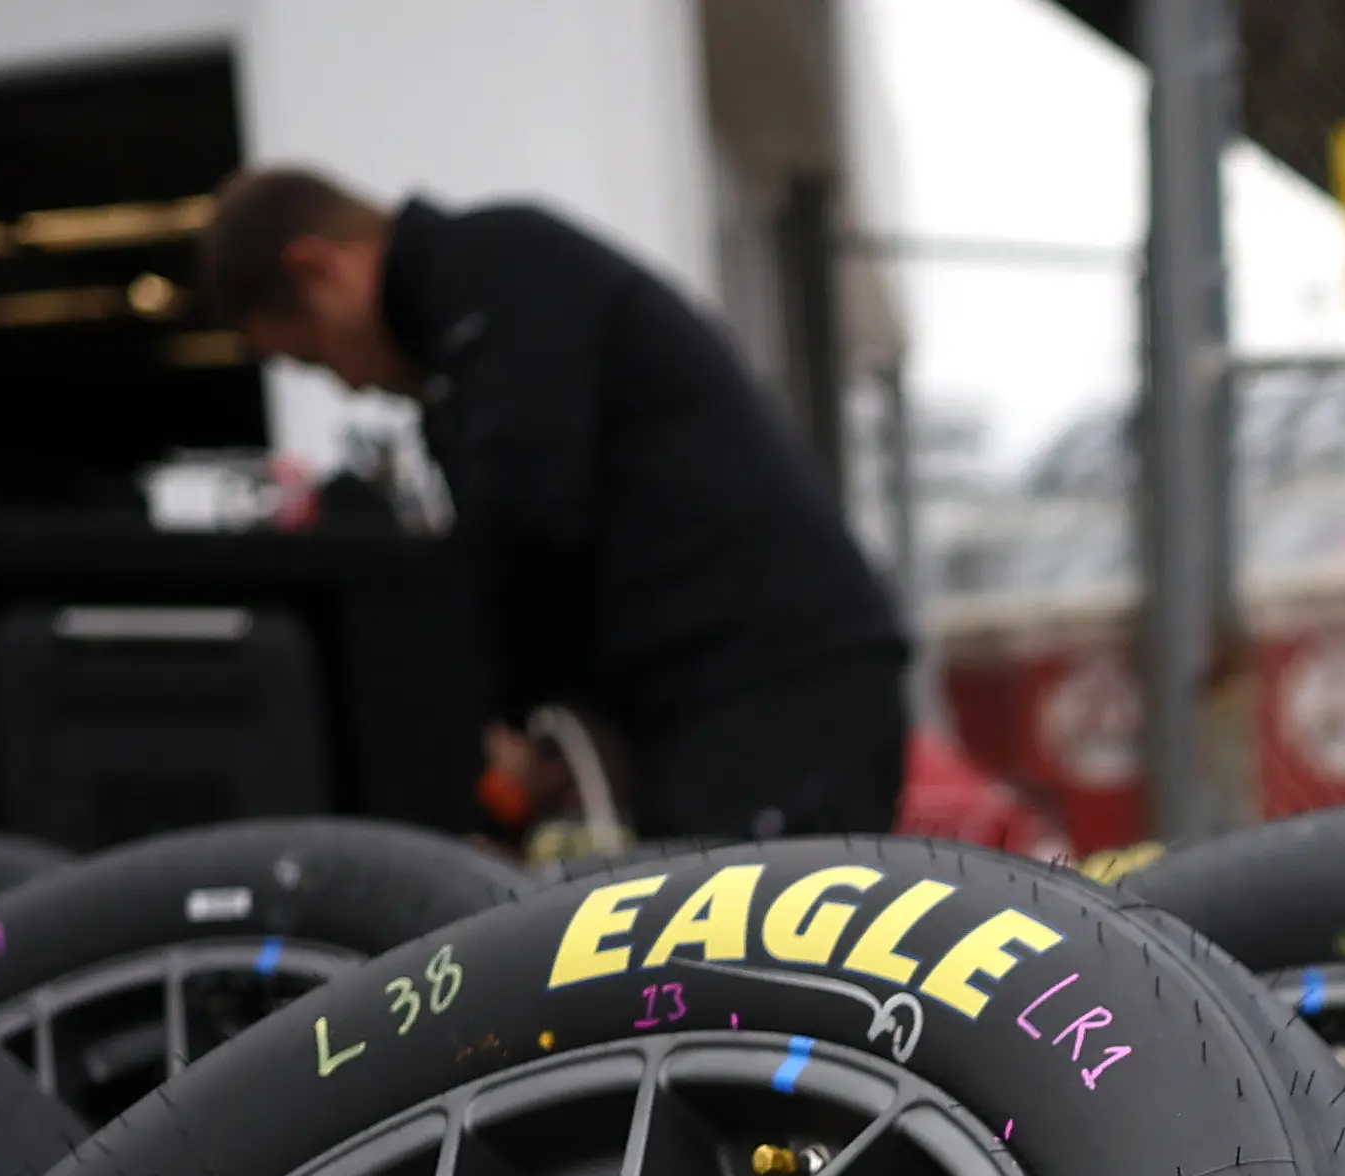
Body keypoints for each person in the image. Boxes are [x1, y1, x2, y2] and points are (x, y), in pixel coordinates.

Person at [205, 167, 908, 841]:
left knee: (739, 956)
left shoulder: (499, 272)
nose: (349, 386)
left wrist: (510, 721)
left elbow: (527, 516)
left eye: (318, 359)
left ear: (317, 269)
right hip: (723, 703)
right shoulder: (470, 333)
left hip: (777, 693)